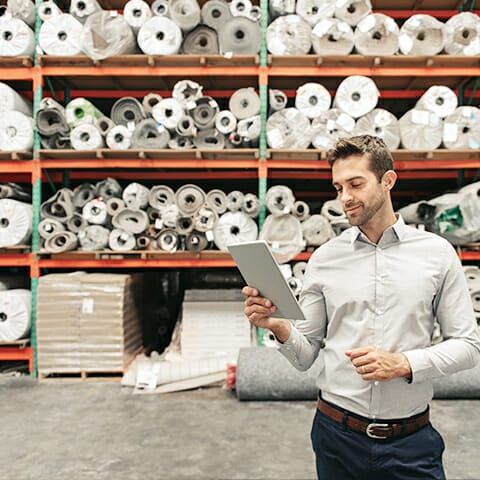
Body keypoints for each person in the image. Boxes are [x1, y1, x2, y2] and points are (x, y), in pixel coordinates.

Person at [242, 135, 480, 479]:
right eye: (338, 187)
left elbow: (469, 347)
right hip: (336, 437)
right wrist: (277, 326)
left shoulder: (437, 254)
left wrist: (403, 363)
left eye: (356, 184)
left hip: (410, 443)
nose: (345, 198)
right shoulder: (324, 259)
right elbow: (305, 354)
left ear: (388, 181)